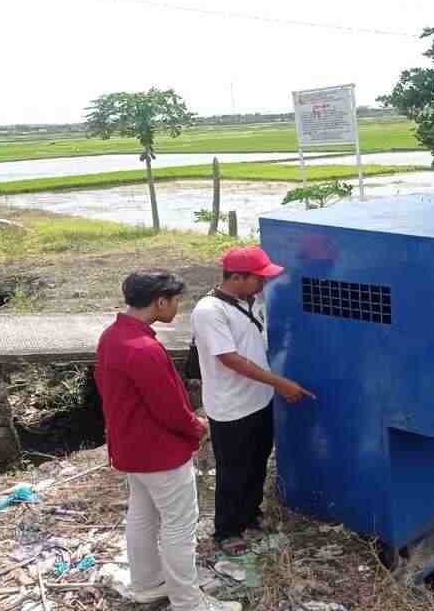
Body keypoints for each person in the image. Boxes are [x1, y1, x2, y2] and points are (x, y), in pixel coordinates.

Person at [96, 271, 241, 611]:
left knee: (142, 515)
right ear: (160, 301)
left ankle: (147, 583)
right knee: (179, 526)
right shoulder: (144, 349)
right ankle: (189, 602)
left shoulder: (112, 336)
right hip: (159, 451)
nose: (178, 307)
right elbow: (170, 408)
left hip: (130, 445)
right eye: (175, 301)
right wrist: (197, 427)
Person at [191, 247, 315, 554]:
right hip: (231, 407)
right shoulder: (209, 311)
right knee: (234, 470)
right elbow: (231, 359)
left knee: (257, 463)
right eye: (259, 278)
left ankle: (250, 514)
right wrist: (281, 383)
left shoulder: (252, 300)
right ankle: (227, 530)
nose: (264, 283)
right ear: (236, 277)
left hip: (260, 400)